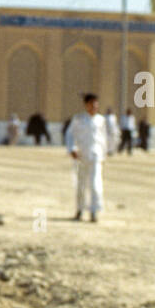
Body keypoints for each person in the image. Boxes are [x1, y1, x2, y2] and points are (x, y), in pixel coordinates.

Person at [65, 93, 106, 221]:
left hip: (95, 156)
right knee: (81, 185)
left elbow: (103, 138)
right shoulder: (78, 119)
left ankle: (94, 211)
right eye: (92, 103)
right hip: (81, 156)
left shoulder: (101, 120)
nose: (94, 106)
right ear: (86, 105)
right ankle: (79, 210)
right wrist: (72, 149)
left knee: (95, 184)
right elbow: (69, 134)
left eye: (96, 103)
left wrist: (104, 154)